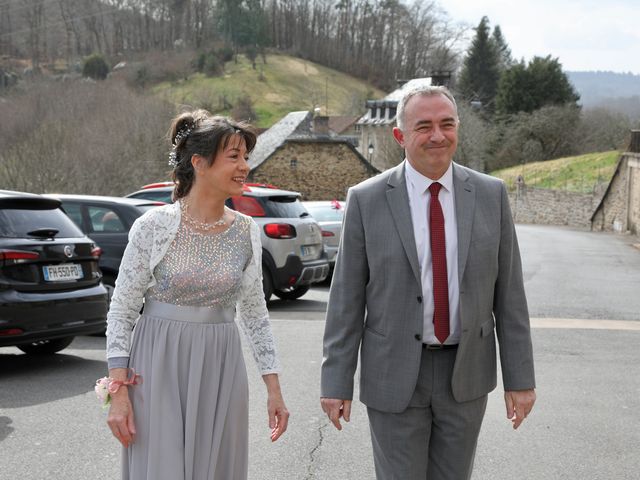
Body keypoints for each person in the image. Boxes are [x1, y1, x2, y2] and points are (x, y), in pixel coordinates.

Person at [320, 85, 536, 479]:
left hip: (466, 372)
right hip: (394, 374)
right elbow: (346, 301)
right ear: (400, 136)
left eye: (446, 124)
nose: (437, 135)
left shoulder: (490, 195)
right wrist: (336, 381)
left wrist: (520, 379)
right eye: (424, 126)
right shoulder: (366, 200)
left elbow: (510, 298)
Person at [105, 110, 289, 480]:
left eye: (246, 157)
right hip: (158, 363)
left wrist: (274, 390)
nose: (244, 167)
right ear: (199, 163)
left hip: (222, 365)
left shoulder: (247, 232)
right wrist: (118, 394)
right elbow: (122, 311)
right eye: (234, 156)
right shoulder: (153, 227)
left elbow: (255, 314)